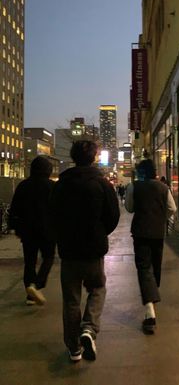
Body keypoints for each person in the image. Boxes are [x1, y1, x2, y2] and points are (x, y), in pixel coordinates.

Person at [50, 140, 120, 363]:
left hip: (69, 250)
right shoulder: (101, 183)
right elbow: (113, 216)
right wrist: (100, 232)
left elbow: (52, 216)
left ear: (72, 156)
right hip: (93, 249)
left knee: (71, 299)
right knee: (98, 288)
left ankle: (74, 348)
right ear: (94, 157)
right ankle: (89, 328)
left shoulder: (61, 184)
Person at [125, 159, 176, 334]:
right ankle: (152, 297)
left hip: (140, 232)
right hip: (157, 232)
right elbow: (172, 208)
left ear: (141, 172)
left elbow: (129, 208)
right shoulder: (163, 188)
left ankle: (149, 309)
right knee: (155, 265)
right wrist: (161, 217)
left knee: (143, 267)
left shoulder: (134, 187)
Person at [9, 156, 55, 306]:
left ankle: (30, 293)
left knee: (29, 261)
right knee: (48, 257)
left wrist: (15, 227)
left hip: (27, 230)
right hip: (47, 230)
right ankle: (37, 284)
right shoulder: (51, 186)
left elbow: (14, 208)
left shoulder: (23, 186)